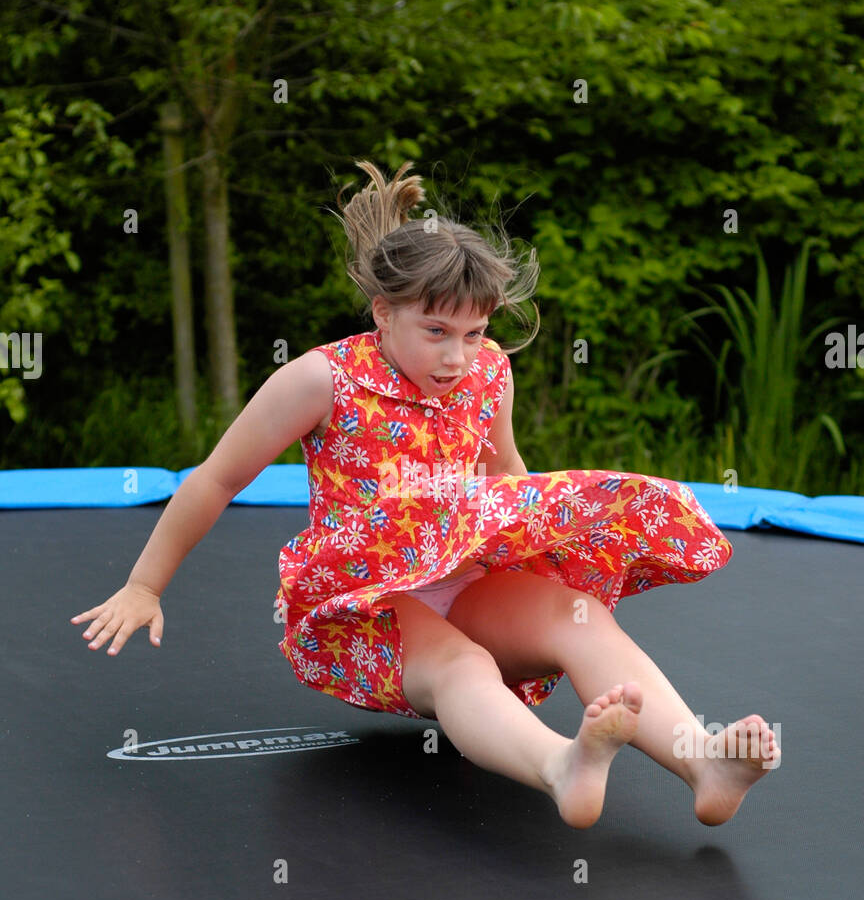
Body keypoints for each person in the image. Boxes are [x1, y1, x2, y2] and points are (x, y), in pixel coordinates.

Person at [71, 158, 780, 828]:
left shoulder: (489, 373)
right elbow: (218, 477)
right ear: (383, 313)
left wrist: (548, 554)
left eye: (474, 334)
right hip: (371, 604)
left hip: (464, 573)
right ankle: (561, 766)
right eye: (436, 332)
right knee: (459, 663)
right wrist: (144, 585)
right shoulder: (324, 380)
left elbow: (507, 475)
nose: (456, 356)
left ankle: (705, 765)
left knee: (577, 612)